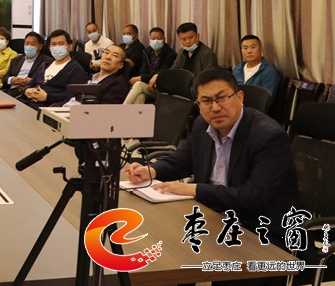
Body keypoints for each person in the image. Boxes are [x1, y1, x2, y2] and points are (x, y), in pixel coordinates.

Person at [125, 68, 299, 255]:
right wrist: (150, 171)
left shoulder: (268, 136)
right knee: (154, 244)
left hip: (260, 232)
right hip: (213, 219)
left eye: (222, 98)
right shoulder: (203, 124)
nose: (215, 108)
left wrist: (194, 189)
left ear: (240, 97)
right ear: (198, 104)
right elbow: (182, 161)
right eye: (207, 101)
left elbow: (253, 196)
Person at [23, 30, 89, 108]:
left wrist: (47, 97)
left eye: (61, 44)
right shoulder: (45, 65)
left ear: (69, 46)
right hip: (28, 104)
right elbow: (31, 84)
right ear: (50, 48)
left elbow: (73, 96)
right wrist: (27, 91)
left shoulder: (75, 69)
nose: (57, 47)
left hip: (49, 108)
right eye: (53, 44)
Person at [60, 45, 129, 106]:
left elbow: (105, 109)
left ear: (121, 65)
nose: (108, 57)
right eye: (106, 52)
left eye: (115, 56)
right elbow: (71, 98)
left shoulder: (118, 83)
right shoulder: (90, 77)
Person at [124, 27, 177, 104]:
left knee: (138, 85)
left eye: (159, 38)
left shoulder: (170, 54)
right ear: (149, 40)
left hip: (162, 89)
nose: (156, 41)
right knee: (140, 96)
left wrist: (142, 78)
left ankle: (122, 109)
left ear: (164, 39)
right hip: (148, 85)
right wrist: (144, 78)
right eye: (153, 38)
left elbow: (163, 72)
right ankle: (134, 112)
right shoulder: (146, 52)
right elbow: (143, 71)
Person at [1, 31, 51, 97]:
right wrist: (11, 80)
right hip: (10, 91)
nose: (29, 46)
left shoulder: (46, 62)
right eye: (27, 43)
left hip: (27, 93)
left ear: (40, 46)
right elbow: (4, 79)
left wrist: (32, 81)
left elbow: (46, 82)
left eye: (33, 44)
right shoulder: (16, 60)